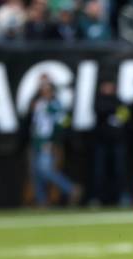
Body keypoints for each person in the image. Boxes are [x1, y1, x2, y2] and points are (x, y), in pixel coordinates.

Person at [28, 75, 81, 206]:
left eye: (47, 90)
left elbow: (63, 123)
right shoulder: (39, 103)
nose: (44, 92)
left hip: (47, 142)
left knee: (46, 170)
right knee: (36, 172)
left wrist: (53, 141)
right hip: (37, 141)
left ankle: (71, 188)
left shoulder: (55, 105)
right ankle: (42, 201)